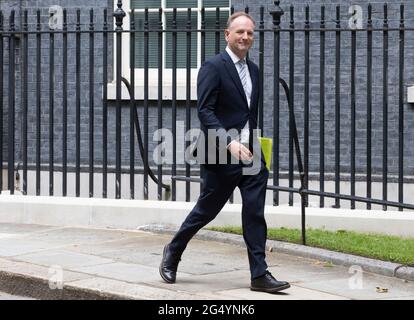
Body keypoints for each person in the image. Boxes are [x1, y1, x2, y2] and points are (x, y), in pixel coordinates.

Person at [159, 12, 290, 293]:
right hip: (220, 152)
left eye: (250, 33)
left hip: (251, 153)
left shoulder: (253, 70)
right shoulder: (213, 66)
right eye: (240, 31)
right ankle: (173, 250)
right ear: (227, 35)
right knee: (207, 210)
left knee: (255, 212)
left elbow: (246, 112)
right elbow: (205, 111)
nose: (245, 37)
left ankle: (259, 274)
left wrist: (252, 144)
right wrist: (228, 142)